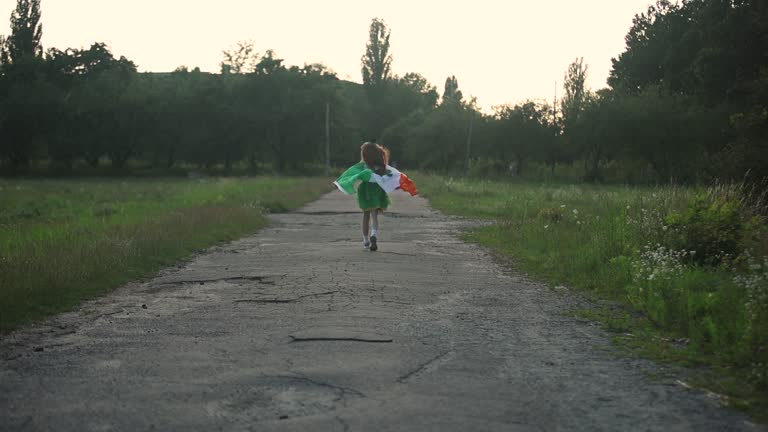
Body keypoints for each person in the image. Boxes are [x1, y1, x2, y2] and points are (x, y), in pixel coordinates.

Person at [334, 142, 418, 251]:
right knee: (375, 216)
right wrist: (402, 185)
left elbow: (350, 173)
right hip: (378, 190)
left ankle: (365, 241)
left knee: (366, 216)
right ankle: (374, 235)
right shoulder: (382, 167)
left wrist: (339, 183)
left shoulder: (363, 166)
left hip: (365, 191)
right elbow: (394, 175)